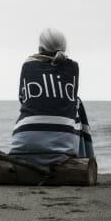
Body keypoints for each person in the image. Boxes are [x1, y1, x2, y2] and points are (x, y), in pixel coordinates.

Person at [9, 28, 94, 165]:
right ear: (64, 48)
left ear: (39, 48)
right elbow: (70, 101)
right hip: (63, 149)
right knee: (76, 104)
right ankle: (84, 157)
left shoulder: (28, 65)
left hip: (22, 146)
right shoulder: (73, 67)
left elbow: (22, 98)